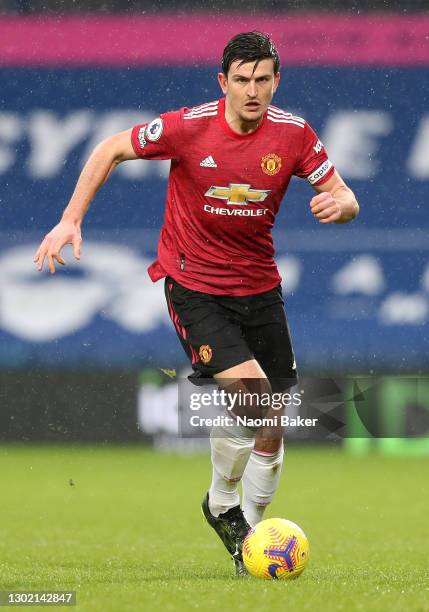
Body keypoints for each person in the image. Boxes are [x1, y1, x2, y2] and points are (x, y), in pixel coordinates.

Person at [34, 31, 359, 577]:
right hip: (194, 286)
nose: (251, 91)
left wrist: (343, 205)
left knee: (273, 420)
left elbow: (346, 196)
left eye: (261, 80)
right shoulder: (189, 126)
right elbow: (109, 146)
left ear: (276, 81)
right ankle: (240, 526)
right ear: (223, 81)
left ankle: (236, 521)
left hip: (260, 287)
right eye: (241, 80)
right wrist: (70, 219)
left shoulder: (295, 134)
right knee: (255, 397)